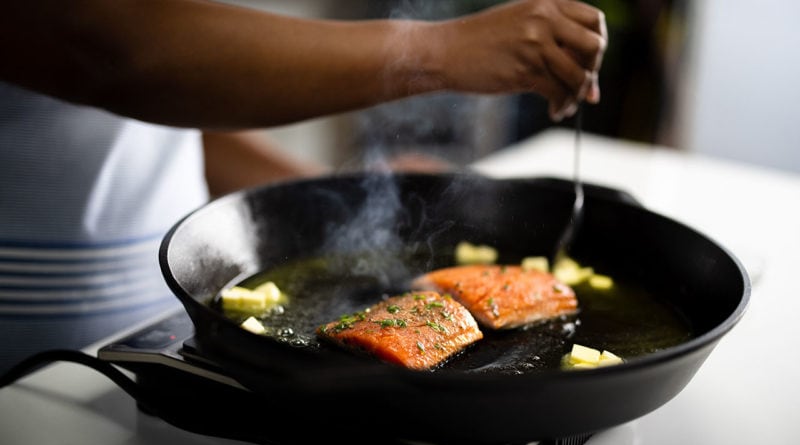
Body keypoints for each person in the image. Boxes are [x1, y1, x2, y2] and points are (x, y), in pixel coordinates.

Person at [0, 0, 607, 374]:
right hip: (31, 364)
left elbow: (161, 116)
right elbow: (111, 53)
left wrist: (334, 198)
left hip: (170, 329)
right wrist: (441, 49)